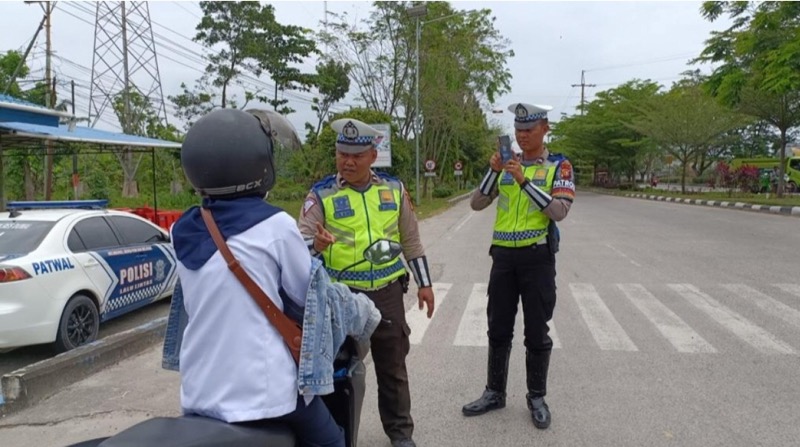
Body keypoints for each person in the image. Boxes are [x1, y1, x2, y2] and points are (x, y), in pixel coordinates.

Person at [167, 108, 381, 447]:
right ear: (258, 165)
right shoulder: (275, 226)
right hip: (263, 393)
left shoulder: (181, 229)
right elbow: (310, 298)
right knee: (333, 442)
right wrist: (364, 312)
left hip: (200, 392)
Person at [297, 118, 435, 447]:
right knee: (334, 371)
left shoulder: (394, 190)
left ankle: (400, 433)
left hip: (386, 293)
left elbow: (412, 242)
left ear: (373, 155)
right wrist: (316, 247)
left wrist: (425, 284)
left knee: (393, 368)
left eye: (357, 155)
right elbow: (296, 251)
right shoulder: (320, 196)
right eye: (342, 153)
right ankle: (337, 435)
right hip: (341, 297)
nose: (348, 160)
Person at [461, 103, 575, 429]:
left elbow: (559, 211)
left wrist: (525, 182)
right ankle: (494, 392)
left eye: (529, 130)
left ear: (545, 128)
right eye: (518, 130)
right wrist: (495, 170)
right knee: (498, 327)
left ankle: (536, 396)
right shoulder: (507, 165)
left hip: (537, 258)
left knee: (537, 331)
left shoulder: (559, 166)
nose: (522, 136)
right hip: (503, 259)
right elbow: (477, 203)